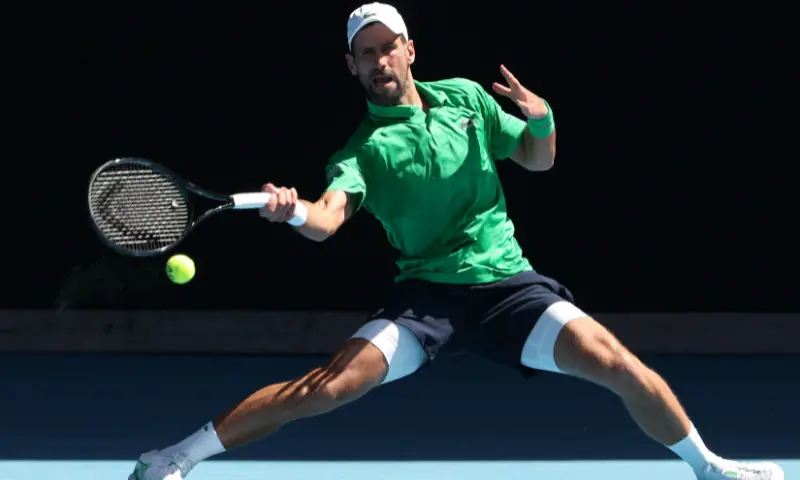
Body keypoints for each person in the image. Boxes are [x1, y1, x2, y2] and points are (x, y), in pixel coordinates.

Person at [127, 3, 784, 480]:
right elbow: (326, 220)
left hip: (510, 287)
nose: (379, 60)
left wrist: (543, 118)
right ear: (352, 66)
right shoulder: (363, 151)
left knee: (616, 363)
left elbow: (538, 159)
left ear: (410, 50)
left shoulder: (467, 100)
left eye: (388, 47)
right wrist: (292, 211)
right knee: (326, 388)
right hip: (428, 300)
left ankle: (710, 466)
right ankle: (174, 457)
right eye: (366, 53)